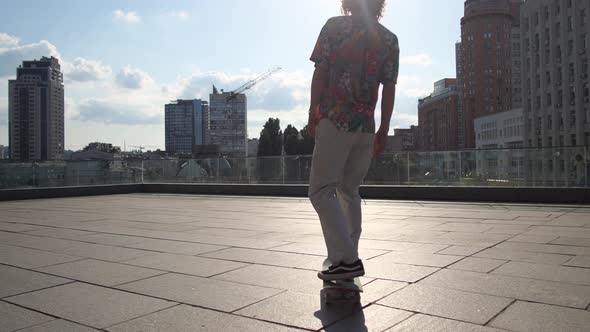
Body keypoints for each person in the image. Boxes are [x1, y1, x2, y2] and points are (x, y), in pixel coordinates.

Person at [307, 0, 399, 281]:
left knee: (321, 189)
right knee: (349, 190)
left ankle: (345, 259)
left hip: (337, 119)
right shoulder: (389, 39)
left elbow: (320, 71)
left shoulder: (334, 27)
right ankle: (349, 256)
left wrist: (313, 110)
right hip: (366, 126)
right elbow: (389, 88)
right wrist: (383, 129)